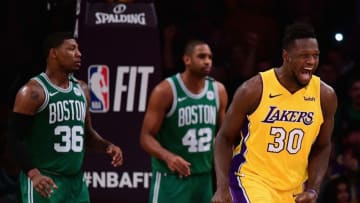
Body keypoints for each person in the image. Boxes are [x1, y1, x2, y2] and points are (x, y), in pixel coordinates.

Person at [211, 22, 338, 203]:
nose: (311, 61)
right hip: (251, 180)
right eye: (304, 56)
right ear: (286, 56)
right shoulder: (254, 89)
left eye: (315, 55)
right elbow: (224, 137)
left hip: (294, 188)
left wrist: (313, 190)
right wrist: (222, 187)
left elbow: (323, 146)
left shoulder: (325, 96)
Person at [7, 32, 123, 202]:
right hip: (45, 180)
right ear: (53, 53)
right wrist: (34, 174)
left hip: (76, 183)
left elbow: (87, 134)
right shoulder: (33, 92)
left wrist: (107, 146)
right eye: (71, 49)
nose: (79, 53)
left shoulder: (82, 89)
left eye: (78, 49)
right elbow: (14, 139)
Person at [140, 40, 228, 203]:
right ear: (187, 60)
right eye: (201, 56)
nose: (207, 61)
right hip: (171, 178)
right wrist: (169, 157)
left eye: (210, 57)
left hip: (203, 178)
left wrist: (223, 182)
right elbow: (145, 137)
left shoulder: (219, 91)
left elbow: (223, 138)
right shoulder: (165, 91)